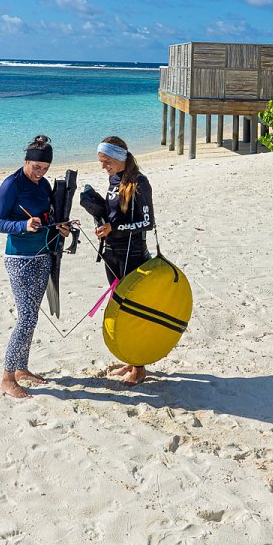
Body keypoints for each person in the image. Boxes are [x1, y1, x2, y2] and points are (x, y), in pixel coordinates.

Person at [0, 134, 70, 400]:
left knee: (32, 316)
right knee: (26, 319)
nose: (40, 173)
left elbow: (49, 216)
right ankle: (7, 377)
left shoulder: (44, 184)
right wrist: (22, 225)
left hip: (43, 254)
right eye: (36, 167)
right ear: (26, 161)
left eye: (45, 169)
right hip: (19, 259)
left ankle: (22, 368)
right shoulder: (11, 184)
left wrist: (60, 228)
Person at [89, 135, 155, 385]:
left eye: (106, 161)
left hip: (133, 255)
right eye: (101, 161)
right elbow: (114, 216)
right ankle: (131, 359)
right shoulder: (113, 179)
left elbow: (146, 223)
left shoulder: (140, 182)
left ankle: (139, 368)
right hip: (112, 253)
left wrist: (114, 230)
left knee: (133, 311)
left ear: (119, 158)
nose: (102, 166)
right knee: (120, 309)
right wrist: (100, 221)